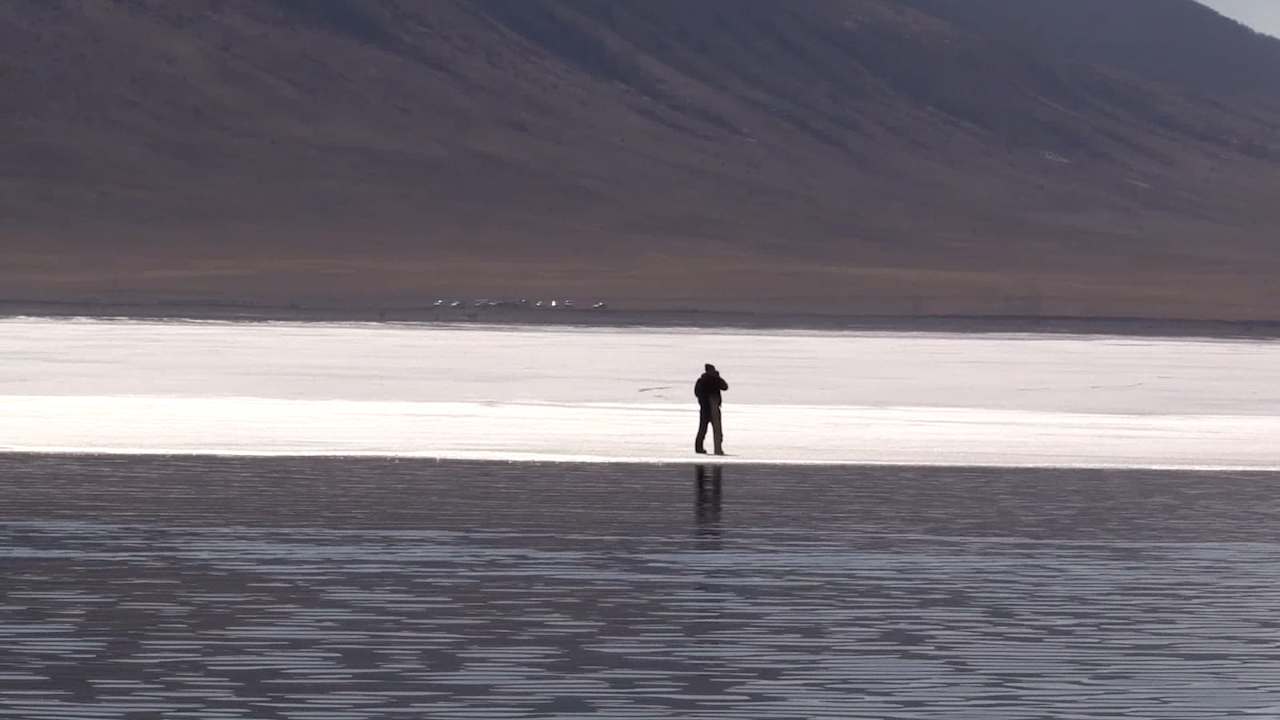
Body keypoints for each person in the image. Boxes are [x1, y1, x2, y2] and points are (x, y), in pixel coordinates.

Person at [694, 363, 728, 455]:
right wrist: (703, 401)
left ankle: (718, 449)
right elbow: (697, 393)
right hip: (706, 408)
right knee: (703, 429)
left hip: (714, 408)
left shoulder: (715, 380)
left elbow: (725, 387)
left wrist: (718, 378)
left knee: (717, 430)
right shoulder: (702, 381)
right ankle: (699, 448)